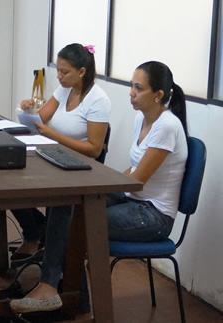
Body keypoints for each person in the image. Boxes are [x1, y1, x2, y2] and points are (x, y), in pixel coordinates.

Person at [10, 60, 189, 314]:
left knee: (80, 221)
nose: (131, 93)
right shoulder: (142, 119)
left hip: (153, 215)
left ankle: (72, 296)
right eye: (131, 86)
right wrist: (101, 187)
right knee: (66, 204)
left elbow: (138, 180)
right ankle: (56, 288)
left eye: (138, 88)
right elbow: (132, 171)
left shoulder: (167, 126)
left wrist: (103, 187)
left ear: (158, 95)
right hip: (134, 199)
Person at [10, 43, 111, 265]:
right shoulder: (64, 89)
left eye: (65, 72)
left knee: (17, 186)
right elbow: (41, 119)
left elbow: (94, 149)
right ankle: (38, 232)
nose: (59, 76)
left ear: (82, 72)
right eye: (58, 70)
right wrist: (27, 109)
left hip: (79, 167)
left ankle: (43, 237)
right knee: (8, 183)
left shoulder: (98, 100)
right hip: (53, 155)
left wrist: (53, 135)